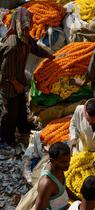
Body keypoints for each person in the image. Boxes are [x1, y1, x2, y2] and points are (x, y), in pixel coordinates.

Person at [0, 7, 54, 148]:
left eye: (28, 27)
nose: (27, 29)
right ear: (17, 24)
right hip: (9, 82)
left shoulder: (24, 37)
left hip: (18, 78)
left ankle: (23, 128)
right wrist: (16, 84)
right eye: (25, 27)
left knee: (21, 106)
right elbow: (5, 71)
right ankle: (7, 138)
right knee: (10, 111)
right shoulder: (12, 45)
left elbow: (35, 48)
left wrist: (50, 56)